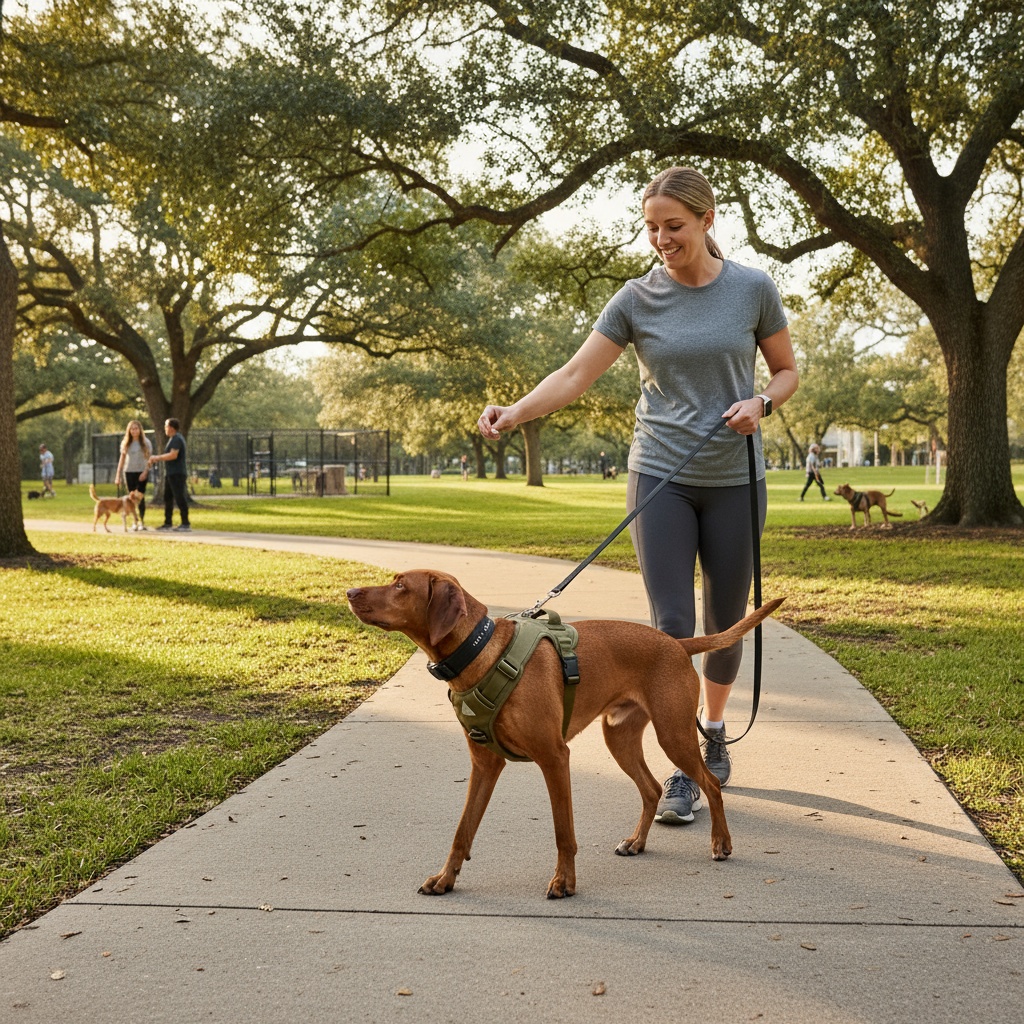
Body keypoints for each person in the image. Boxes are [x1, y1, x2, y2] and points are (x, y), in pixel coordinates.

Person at [478, 166, 798, 824]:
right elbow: (574, 374)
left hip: (736, 478)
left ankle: (711, 732)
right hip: (660, 477)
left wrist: (762, 401)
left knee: (724, 622)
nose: (661, 239)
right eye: (651, 227)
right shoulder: (635, 299)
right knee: (672, 628)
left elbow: (787, 370)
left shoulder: (752, 289)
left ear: (707, 221)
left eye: (673, 226)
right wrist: (516, 411)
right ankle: (685, 772)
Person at [147, 418, 191, 532]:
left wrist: (157, 458)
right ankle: (168, 523)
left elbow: (173, 455)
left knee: (180, 497)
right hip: (170, 473)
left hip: (177, 473)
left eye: (166, 426)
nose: (165, 428)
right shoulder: (172, 439)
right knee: (168, 497)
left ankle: (185, 523)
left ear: (171, 427)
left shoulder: (177, 439)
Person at [114, 420, 153, 529]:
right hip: (129, 471)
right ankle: (134, 522)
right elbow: (121, 460)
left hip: (141, 472)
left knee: (140, 497)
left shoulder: (146, 442)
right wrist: (118, 475)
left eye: (136, 428)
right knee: (131, 498)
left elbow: (149, 460)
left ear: (140, 430)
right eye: (132, 429)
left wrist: (145, 472)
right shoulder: (125, 443)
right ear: (129, 430)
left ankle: (142, 521)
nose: (134, 431)